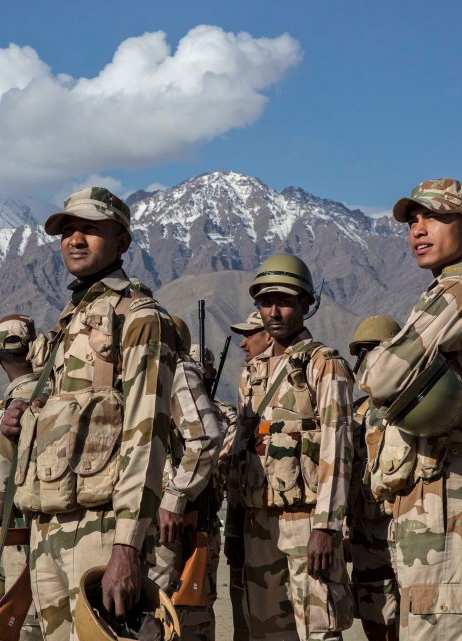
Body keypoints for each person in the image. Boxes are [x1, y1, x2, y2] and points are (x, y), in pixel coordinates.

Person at [0, 187, 177, 641]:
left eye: (90, 229)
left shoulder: (138, 316)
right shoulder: (69, 320)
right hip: (49, 528)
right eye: (67, 231)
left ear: (122, 243)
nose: (74, 239)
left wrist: (127, 546)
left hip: (101, 530)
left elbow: (146, 433)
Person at [360, 178, 462, 641]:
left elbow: (378, 377)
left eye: (433, 217)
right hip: (436, 490)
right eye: (412, 220)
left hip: (451, 490)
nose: (417, 230)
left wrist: (378, 358)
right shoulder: (446, 290)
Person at [225, 253, 355, 641]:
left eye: (284, 300)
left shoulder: (323, 364)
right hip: (256, 525)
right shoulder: (252, 371)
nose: (274, 311)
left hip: (306, 523)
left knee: (318, 630)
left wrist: (327, 526)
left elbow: (338, 447)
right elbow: (240, 453)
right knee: (265, 631)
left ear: (305, 304)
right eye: (266, 302)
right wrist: (234, 528)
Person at [148, 315, 223, 641]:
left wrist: (175, 497)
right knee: (156, 611)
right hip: (159, 522)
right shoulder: (151, 385)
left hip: (182, 521)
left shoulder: (177, 374)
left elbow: (207, 439)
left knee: (187, 613)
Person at [0, 313, 44, 640]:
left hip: (21, 534)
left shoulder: (10, 411)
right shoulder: (62, 394)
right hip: (70, 529)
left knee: (28, 623)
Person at [216, 311, 270, 640]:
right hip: (247, 523)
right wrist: (233, 532)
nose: (243, 341)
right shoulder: (248, 383)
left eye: (251, 333)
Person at [347, 315, 401, 641]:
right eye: (362, 353)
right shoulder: (353, 414)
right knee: (374, 617)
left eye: (373, 351)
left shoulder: (411, 411)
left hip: (405, 530)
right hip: (365, 534)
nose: (366, 360)